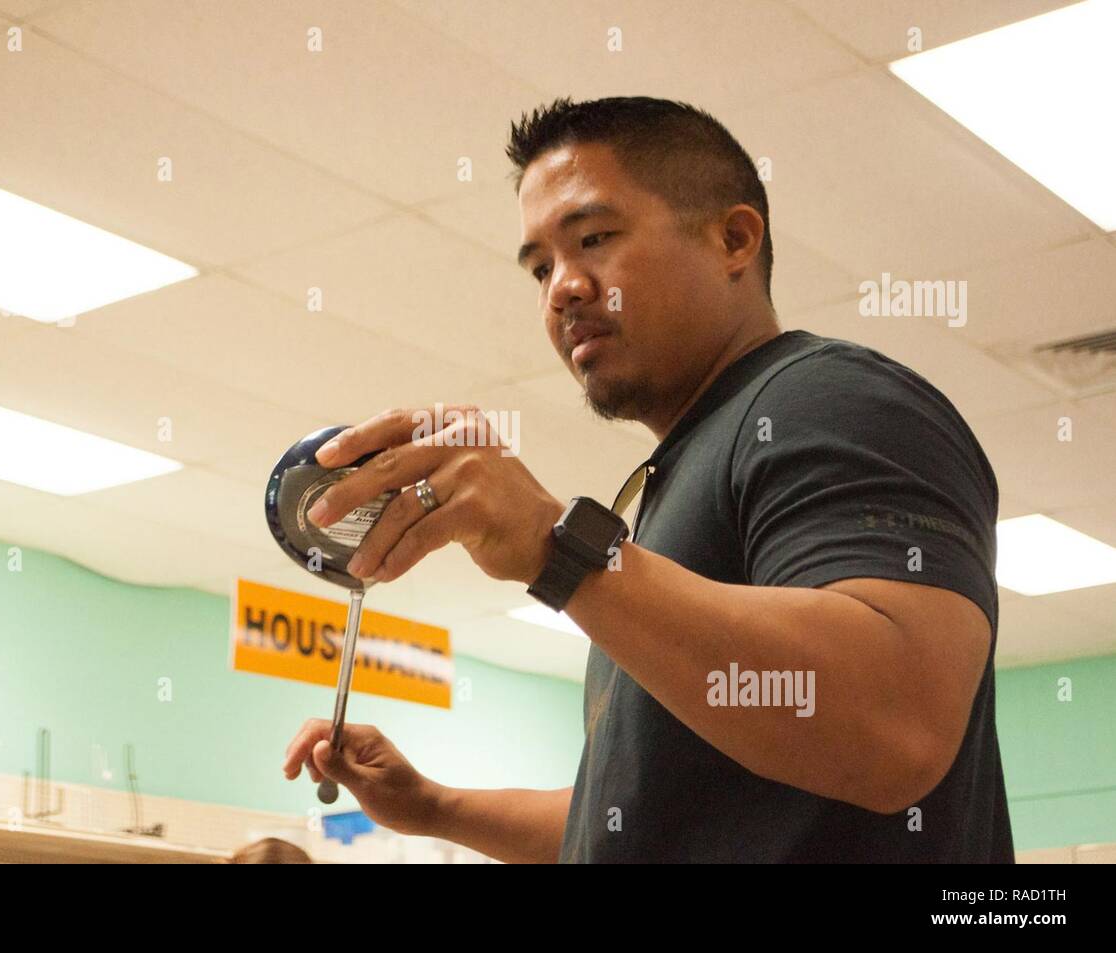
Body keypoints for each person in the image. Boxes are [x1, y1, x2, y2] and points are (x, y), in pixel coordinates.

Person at [283, 96, 1013, 863]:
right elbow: (643, 812)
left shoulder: (829, 399)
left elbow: (897, 725)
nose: (562, 288)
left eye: (593, 238)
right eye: (540, 267)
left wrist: (553, 546)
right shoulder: (666, 494)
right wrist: (434, 805)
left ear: (734, 239)